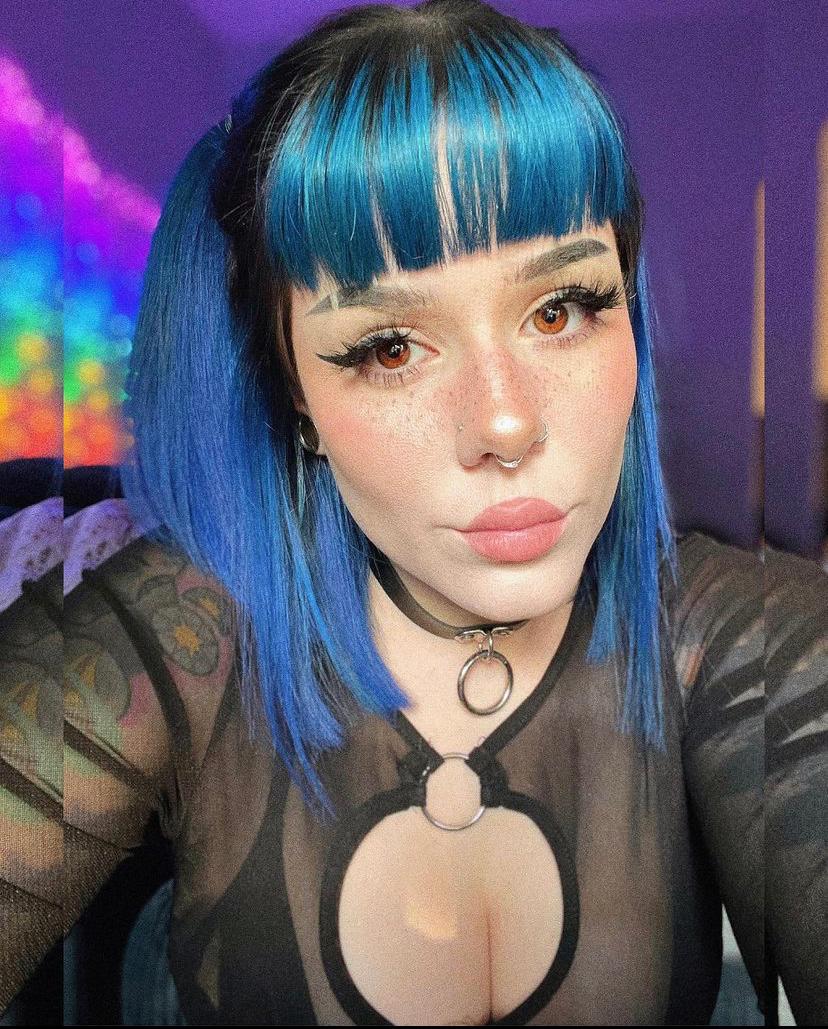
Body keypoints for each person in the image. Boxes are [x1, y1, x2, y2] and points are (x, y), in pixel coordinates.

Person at [1, 0, 826, 1023]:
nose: (507, 422)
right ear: (294, 393)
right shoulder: (182, 638)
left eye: (562, 308)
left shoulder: (742, 640)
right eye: (391, 347)